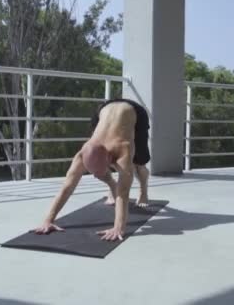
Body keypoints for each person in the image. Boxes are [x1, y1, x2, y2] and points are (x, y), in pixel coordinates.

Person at [32, 98, 151, 241]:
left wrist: (118, 227)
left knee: (139, 163)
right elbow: (67, 188)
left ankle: (143, 190)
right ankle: (111, 184)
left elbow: (124, 193)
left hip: (134, 111)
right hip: (105, 109)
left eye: (101, 172)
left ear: (109, 159)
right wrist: (48, 220)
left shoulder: (123, 150)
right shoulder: (82, 155)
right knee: (101, 172)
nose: (96, 176)